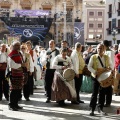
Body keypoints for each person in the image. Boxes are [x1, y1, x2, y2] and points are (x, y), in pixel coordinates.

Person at [88, 43, 113, 116]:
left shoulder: (107, 57)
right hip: (95, 76)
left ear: (104, 49)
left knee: (102, 93)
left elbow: (111, 65)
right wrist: (95, 72)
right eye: (98, 48)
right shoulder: (93, 57)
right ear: (96, 49)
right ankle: (92, 109)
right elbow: (89, 67)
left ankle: (100, 109)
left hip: (104, 77)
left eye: (101, 48)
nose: (99, 49)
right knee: (94, 93)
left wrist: (109, 69)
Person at [8, 41, 24, 111]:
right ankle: (11, 105)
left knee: (18, 90)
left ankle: (16, 104)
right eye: (16, 45)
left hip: (20, 74)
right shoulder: (11, 54)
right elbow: (12, 65)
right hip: (14, 75)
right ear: (13, 46)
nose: (18, 46)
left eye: (19, 45)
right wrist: (21, 65)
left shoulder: (19, 53)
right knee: (14, 90)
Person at [103, 40, 115, 107]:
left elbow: (112, 63)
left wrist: (111, 71)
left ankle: (108, 102)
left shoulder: (110, 52)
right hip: (104, 72)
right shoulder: (105, 52)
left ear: (105, 45)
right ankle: (106, 101)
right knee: (105, 86)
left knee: (108, 87)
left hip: (108, 72)